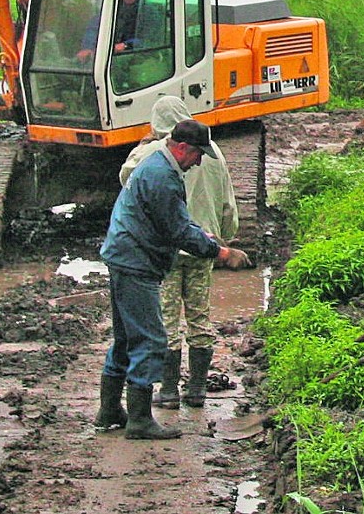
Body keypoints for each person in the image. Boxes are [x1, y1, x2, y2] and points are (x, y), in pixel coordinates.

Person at [94, 118, 250, 440]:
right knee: (151, 340)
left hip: (124, 256)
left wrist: (201, 236)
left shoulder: (155, 164)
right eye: (196, 155)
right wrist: (220, 252)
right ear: (181, 148)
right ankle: (139, 420)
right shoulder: (163, 177)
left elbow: (176, 223)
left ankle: (110, 409)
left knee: (125, 338)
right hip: (136, 263)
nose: (198, 162)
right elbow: (177, 231)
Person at [119, 97, 239, 410]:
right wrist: (224, 240)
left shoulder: (151, 152)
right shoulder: (214, 154)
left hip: (168, 251)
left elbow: (127, 181)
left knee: (167, 320)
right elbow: (228, 203)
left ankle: (169, 391)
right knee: (200, 317)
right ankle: (197, 389)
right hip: (204, 246)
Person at [76, 0, 142, 62]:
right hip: (108, 53)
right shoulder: (112, 6)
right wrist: (88, 47)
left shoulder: (146, 11)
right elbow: (95, 27)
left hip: (135, 54)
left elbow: (149, 38)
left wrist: (126, 45)